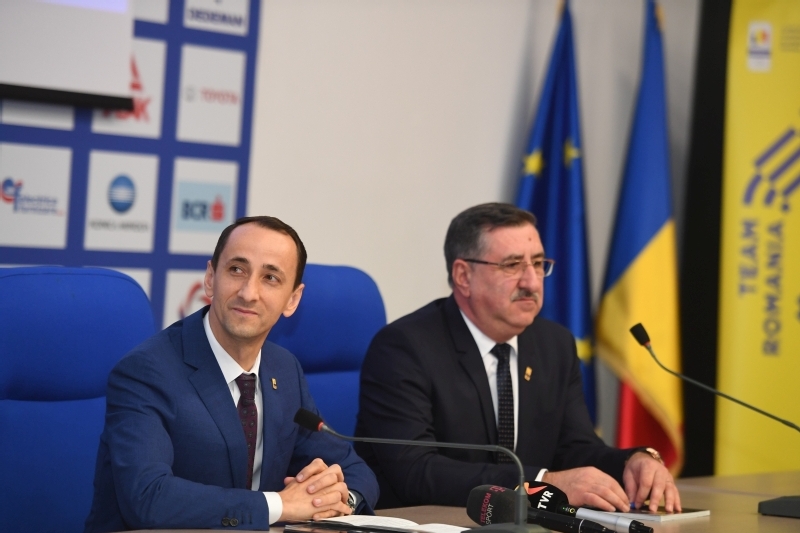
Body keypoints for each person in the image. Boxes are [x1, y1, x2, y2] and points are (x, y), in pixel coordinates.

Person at [355, 202, 680, 513]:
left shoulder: (554, 344)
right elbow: (416, 471)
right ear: (464, 276)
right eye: (512, 265)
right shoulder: (405, 348)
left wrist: (631, 462)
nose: (531, 282)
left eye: (537, 264)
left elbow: (575, 448)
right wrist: (541, 484)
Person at [85, 216, 378, 533]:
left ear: (292, 299)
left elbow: (353, 469)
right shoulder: (147, 371)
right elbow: (147, 497)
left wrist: (338, 501)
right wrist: (281, 505)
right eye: (237, 270)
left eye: (270, 278)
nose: (249, 293)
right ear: (211, 278)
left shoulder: (284, 370)